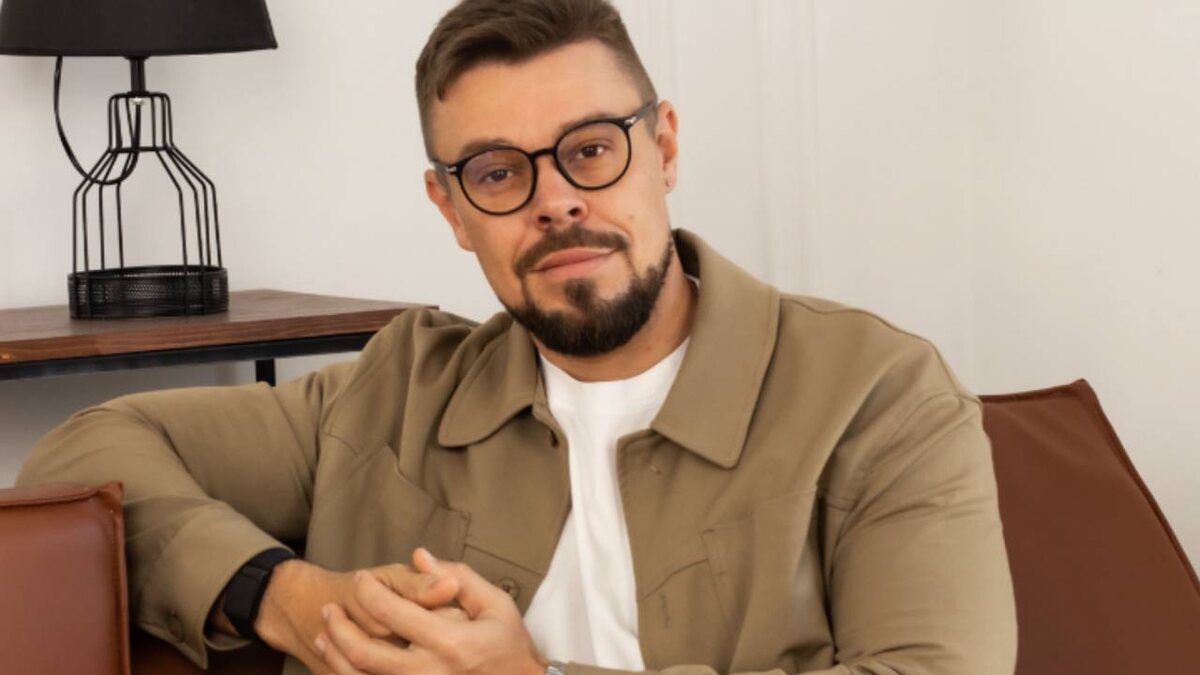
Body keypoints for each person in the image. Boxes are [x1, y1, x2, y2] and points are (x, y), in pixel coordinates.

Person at [17, 1, 1018, 674]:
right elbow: (86, 452)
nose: (556, 201)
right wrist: (291, 600)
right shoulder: (395, 389)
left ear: (663, 148)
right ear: (450, 209)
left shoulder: (877, 393)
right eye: (498, 172)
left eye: (591, 150)